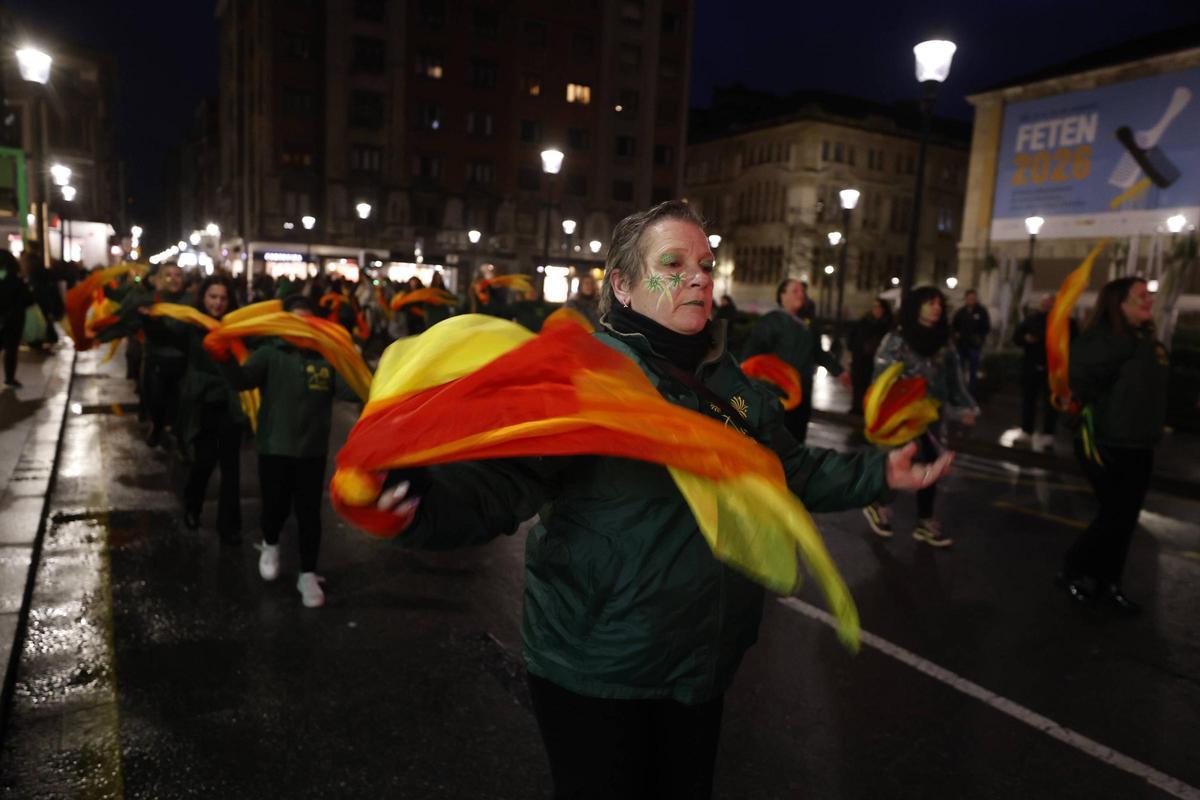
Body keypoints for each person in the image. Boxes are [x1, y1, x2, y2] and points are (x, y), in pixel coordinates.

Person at [372, 201, 954, 797]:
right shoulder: (584, 379)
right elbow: (498, 483)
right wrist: (420, 502)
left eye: (705, 263)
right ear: (622, 285)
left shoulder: (729, 383)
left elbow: (794, 470)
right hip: (598, 669)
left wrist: (884, 473)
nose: (698, 276)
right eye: (673, 264)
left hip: (699, 666)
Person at [218, 294, 361, 608]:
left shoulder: (326, 359)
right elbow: (242, 381)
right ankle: (270, 543)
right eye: (294, 321)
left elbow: (354, 389)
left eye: (307, 321)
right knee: (275, 505)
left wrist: (363, 368)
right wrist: (224, 358)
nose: (301, 328)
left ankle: (307, 573)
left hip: (312, 451)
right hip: (274, 447)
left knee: (310, 514)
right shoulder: (269, 353)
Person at [1057, 277, 1167, 612]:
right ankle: (1073, 568)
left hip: (1140, 444)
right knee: (1114, 516)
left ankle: (1109, 583)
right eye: (1140, 297)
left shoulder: (1149, 343)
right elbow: (1073, 384)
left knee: (1125, 518)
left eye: (1149, 296)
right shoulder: (1102, 341)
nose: (1148, 301)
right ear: (1118, 304)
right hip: (1105, 442)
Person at [863, 286, 978, 547]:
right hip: (903, 416)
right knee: (896, 463)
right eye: (931, 302)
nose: (937, 307)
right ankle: (877, 503)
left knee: (931, 465)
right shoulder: (897, 340)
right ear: (917, 306)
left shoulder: (944, 343)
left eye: (940, 303)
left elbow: (954, 380)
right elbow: (881, 378)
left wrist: (965, 407)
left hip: (932, 416)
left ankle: (925, 521)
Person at [180, 275, 246, 544]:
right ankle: (192, 507)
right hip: (203, 404)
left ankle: (228, 525)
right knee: (204, 462)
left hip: (230, 405)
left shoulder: (236, 327)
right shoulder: (192, 326)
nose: (218, 303)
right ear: (203, 298)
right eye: (213, 297)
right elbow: (166, 333)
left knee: (231, 468)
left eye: (222, 298)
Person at [743, 278, 846, 443]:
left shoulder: (809, 325)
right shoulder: (772, 321)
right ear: (782, 295)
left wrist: (839, 371)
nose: (801, 295)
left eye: (803, 291)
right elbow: (751, 356)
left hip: (802, 394)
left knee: (797, 441)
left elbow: (818, 353)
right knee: (775, 443)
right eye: (795, 291)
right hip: (777, 394)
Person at [1012, 294, 1073, 451]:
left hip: (1053, 369)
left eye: (1050, 303)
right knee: (1028, 400)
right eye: (1044, 303)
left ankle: (1048, 434)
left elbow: (1073, 342)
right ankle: (1027, 431)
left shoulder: (1065, 321)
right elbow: (1017, 337)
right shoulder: (1031, 319)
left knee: (1051, 402)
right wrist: (1026, 338)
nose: (1046, 306)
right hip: (1031, 366)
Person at [847, 298, 892, 415]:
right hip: (861, 361)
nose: (876, 310)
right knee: (859, 387)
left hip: (877, 364)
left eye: (879, 307)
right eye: (875, 307)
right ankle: (857, 408)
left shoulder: (887, 325)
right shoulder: (864, 322)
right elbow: (853, 339)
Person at [0, 252, 34, 387]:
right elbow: (29, 300)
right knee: (11, 350)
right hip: (14, 320)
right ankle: (9, 378)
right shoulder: (16, 280)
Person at [951, 288, 990, 397]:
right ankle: (960, 391)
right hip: (961, 346)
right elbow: (954, 326)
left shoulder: (981, 312)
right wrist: (956, 335)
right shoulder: (960, 312)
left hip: (974, 346)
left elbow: (986, 327)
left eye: (973, 298)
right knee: (960, 370)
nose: (971, 300)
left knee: (973, 370)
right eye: (969, 298)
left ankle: (971, 392)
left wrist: (980, 338)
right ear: (966, 299)